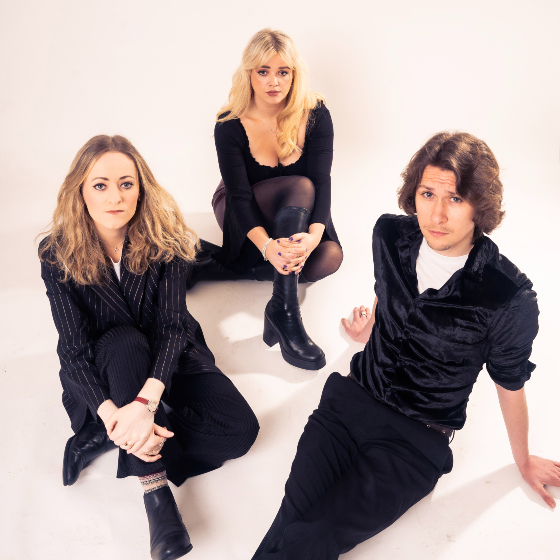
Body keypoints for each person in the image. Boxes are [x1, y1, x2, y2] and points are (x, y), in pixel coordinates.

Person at [251, 132, 560, 559]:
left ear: (479, 206)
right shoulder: (389, 235)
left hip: (414, 442)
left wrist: (523, 459)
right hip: (351, 402)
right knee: (289, 521)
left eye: (454, 198)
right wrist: (374, 325)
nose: (436, 213)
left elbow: (510, 382)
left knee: (314, 537)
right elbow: (389, 285)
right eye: (427, 193)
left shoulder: (508, 296)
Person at [38, 135, 259, 560]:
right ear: (80, 190)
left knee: (240, 431)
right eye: (100, 184)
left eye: (126, 183)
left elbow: (174, 326)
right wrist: (109, 410)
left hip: (169, 364)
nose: (115, 196)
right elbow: (73, 351)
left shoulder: (167, 239)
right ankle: (156, 496)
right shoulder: (57, 254)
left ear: (141, 188)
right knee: (123, 342)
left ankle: (110, 438)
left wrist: (142, 406)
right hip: (103, 375)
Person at [187, 28, 343, 371]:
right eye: (263, 71)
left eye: (283, 72)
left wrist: (315, 235)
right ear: (249, 74)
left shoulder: (315, 114)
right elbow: (241, 197)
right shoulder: (229, 124)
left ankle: (220, 265)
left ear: (294, 74)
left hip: (295, 215)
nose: (274, 81)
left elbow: (323, 181)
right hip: (240, 207)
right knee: (299, 186)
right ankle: (284, 311)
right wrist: (267, 246)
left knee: (328, 257)